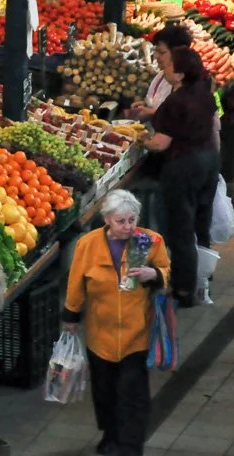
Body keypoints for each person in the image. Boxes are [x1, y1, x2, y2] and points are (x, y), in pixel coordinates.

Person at [62, 189, 171, 456]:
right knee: (105, 393)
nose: (128, 227)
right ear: (107, 219)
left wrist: (153, 273)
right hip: (101, 336)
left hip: (137, 334)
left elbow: (166, 271)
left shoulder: (148, 241)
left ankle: (130, 446)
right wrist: (71, 315)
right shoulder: (88, 245)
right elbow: (76, 281)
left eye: (132, 220)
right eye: (121, 221)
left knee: (132, 395)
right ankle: (110, 436)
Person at [144, 47, 221, 307]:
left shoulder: (175, 103)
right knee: (201, 222)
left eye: (167, 66)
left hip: (184, 166)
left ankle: (184, 290)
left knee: (181, 228)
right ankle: (202, 283)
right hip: (209, 160)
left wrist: (140, 139)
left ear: (178, 74)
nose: (163, 69)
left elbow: (160, 144)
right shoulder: (203, 91)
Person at [128, 23, 193, 122]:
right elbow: (157, 103)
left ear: (178, 53)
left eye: (162, 52)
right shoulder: (161, 75)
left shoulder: (190, 82)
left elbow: (183, 120)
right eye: (156, 51)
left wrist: (152, 112)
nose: (156, 56)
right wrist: (145, 106)